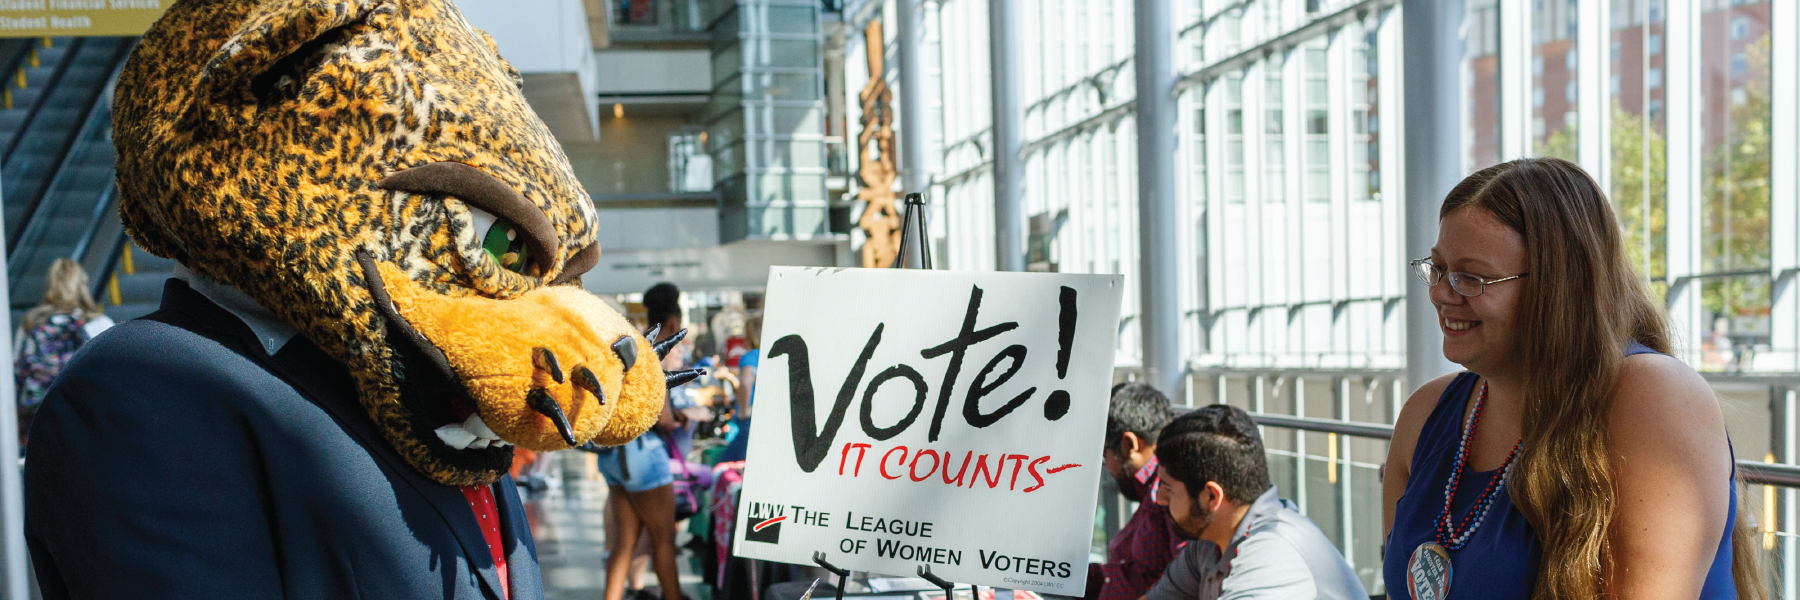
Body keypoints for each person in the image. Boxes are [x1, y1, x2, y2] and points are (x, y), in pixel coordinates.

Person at [1383, 157, 1763, 600]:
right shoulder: (1426, 413)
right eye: (1438, 268)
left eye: (1472, 277)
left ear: (1557, 284)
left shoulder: (1652, 395)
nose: (1440, 293)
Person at [1145, 405, 1366, 600]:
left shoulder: (1271, 555)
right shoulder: (1209, 543)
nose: (1159, 499)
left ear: (1212, 497)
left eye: (1168, 488)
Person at [598, 282, 691, 600]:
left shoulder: (636, 345)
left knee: (623, 544)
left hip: (616, 456)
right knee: (664, 540)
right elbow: (662, 418)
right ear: (674, 323)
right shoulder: (659, 353)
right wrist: (678, 418)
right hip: (644, 455)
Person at [1091, 383, 1181, 600]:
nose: (1106, 466)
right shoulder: (1151, 491)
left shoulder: (1169, 495)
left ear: (1129, 444)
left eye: (1104, 454)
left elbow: (1185, 583)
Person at [13, 259, 113, 449]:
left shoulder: (30, 324)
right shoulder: (100, 325)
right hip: (83, 420)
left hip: (37, 419)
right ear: (82, 285)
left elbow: (17, 375)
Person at [720, 314, 761, 463]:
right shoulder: (769, 356)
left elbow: (745, 383)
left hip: (748, 420)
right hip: (763, 418)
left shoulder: (751, 356)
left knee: (728, 465)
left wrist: (744, 411)